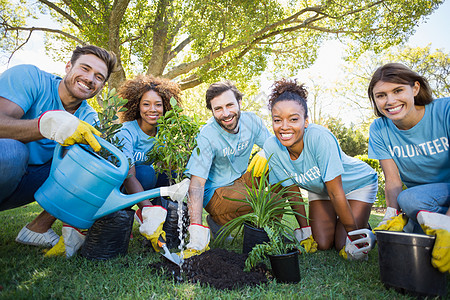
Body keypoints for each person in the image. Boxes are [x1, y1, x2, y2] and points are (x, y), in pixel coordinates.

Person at [0, 45, 117, 249]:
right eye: (85, 68)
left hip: (29, 182)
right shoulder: (30, 78)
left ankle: (37, 229)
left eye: (99, 77)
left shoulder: (89, 118)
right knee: (14, 152)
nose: (90, 79)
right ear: (68, 66)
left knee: (88, 168)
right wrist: (48, 125)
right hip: (6, 165)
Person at [263, 78, 378, 260]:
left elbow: (336, 191)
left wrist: (354, 238)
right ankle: (345, 219)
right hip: (321, 191)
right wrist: (305, 232)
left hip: (357, 185)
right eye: (278, 120)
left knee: (342, 244)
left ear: (306, 121)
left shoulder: (320, 138)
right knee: (322, 243)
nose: (284, 127)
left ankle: (362, 227)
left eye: (293, 119)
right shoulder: (271, 147)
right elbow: (291, 190)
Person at [366, 63, 449, 272]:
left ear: (415, 88)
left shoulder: (445, 110)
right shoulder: (379, 129)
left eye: (397, 90)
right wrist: (391, 217)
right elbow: (393, 180)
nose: (390, 101)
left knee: (409, 198)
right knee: (420, 252)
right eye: (381, 95)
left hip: (423, 199)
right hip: (422, 205)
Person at [182, 80, 271, 258]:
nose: (226, 113)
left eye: (230, 105)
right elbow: (197, 184)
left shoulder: (251, 121)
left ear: (239, 103)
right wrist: (196, 232)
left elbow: (276, 148)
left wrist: (267, 152)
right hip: (217, 191)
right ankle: (220, 219)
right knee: (268, 201)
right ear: (212, 111)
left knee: (275, 163)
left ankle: (260, 233)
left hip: (241, 180)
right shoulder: (207, 135)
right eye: (218, 109)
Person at [116, 74, 182, 251]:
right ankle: (136, 214)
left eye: (158, 104)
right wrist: (148, 211)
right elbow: (128, 176)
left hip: (148, 184)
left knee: (174, 174)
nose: (152, 109)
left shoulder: (165, 133)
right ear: (137, 106)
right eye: (146, 104)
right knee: (144, 173)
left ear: (166, 106)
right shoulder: (126, 132)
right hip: (122, 187)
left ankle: (166, 223)